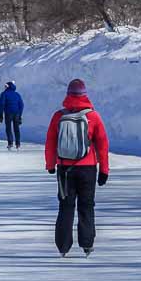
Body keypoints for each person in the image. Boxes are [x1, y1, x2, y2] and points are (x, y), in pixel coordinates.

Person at [45, 79, 110, 258]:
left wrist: (50, 164)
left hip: (65, 168)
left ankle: (63, 246)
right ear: (85, 95)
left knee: (66, 206)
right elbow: (102, 144)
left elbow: (50, 142)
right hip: (88, 168)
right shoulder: (93, 117)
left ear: (67, 95)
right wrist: (104, 169)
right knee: (86, 206)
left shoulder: (58, 116)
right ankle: (87, 244)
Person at [0, 81, 24, 150]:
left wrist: (1, 115)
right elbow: (21, 105)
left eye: (6, 86)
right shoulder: (17, 94)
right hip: (17, 114)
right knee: (16, 129)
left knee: (8, 129)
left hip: (8, 113)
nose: (5, 87)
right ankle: (18, 144)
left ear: (8, 86)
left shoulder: (4, 94)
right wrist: (20, 115)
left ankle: (10, 143)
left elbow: (2, 104)